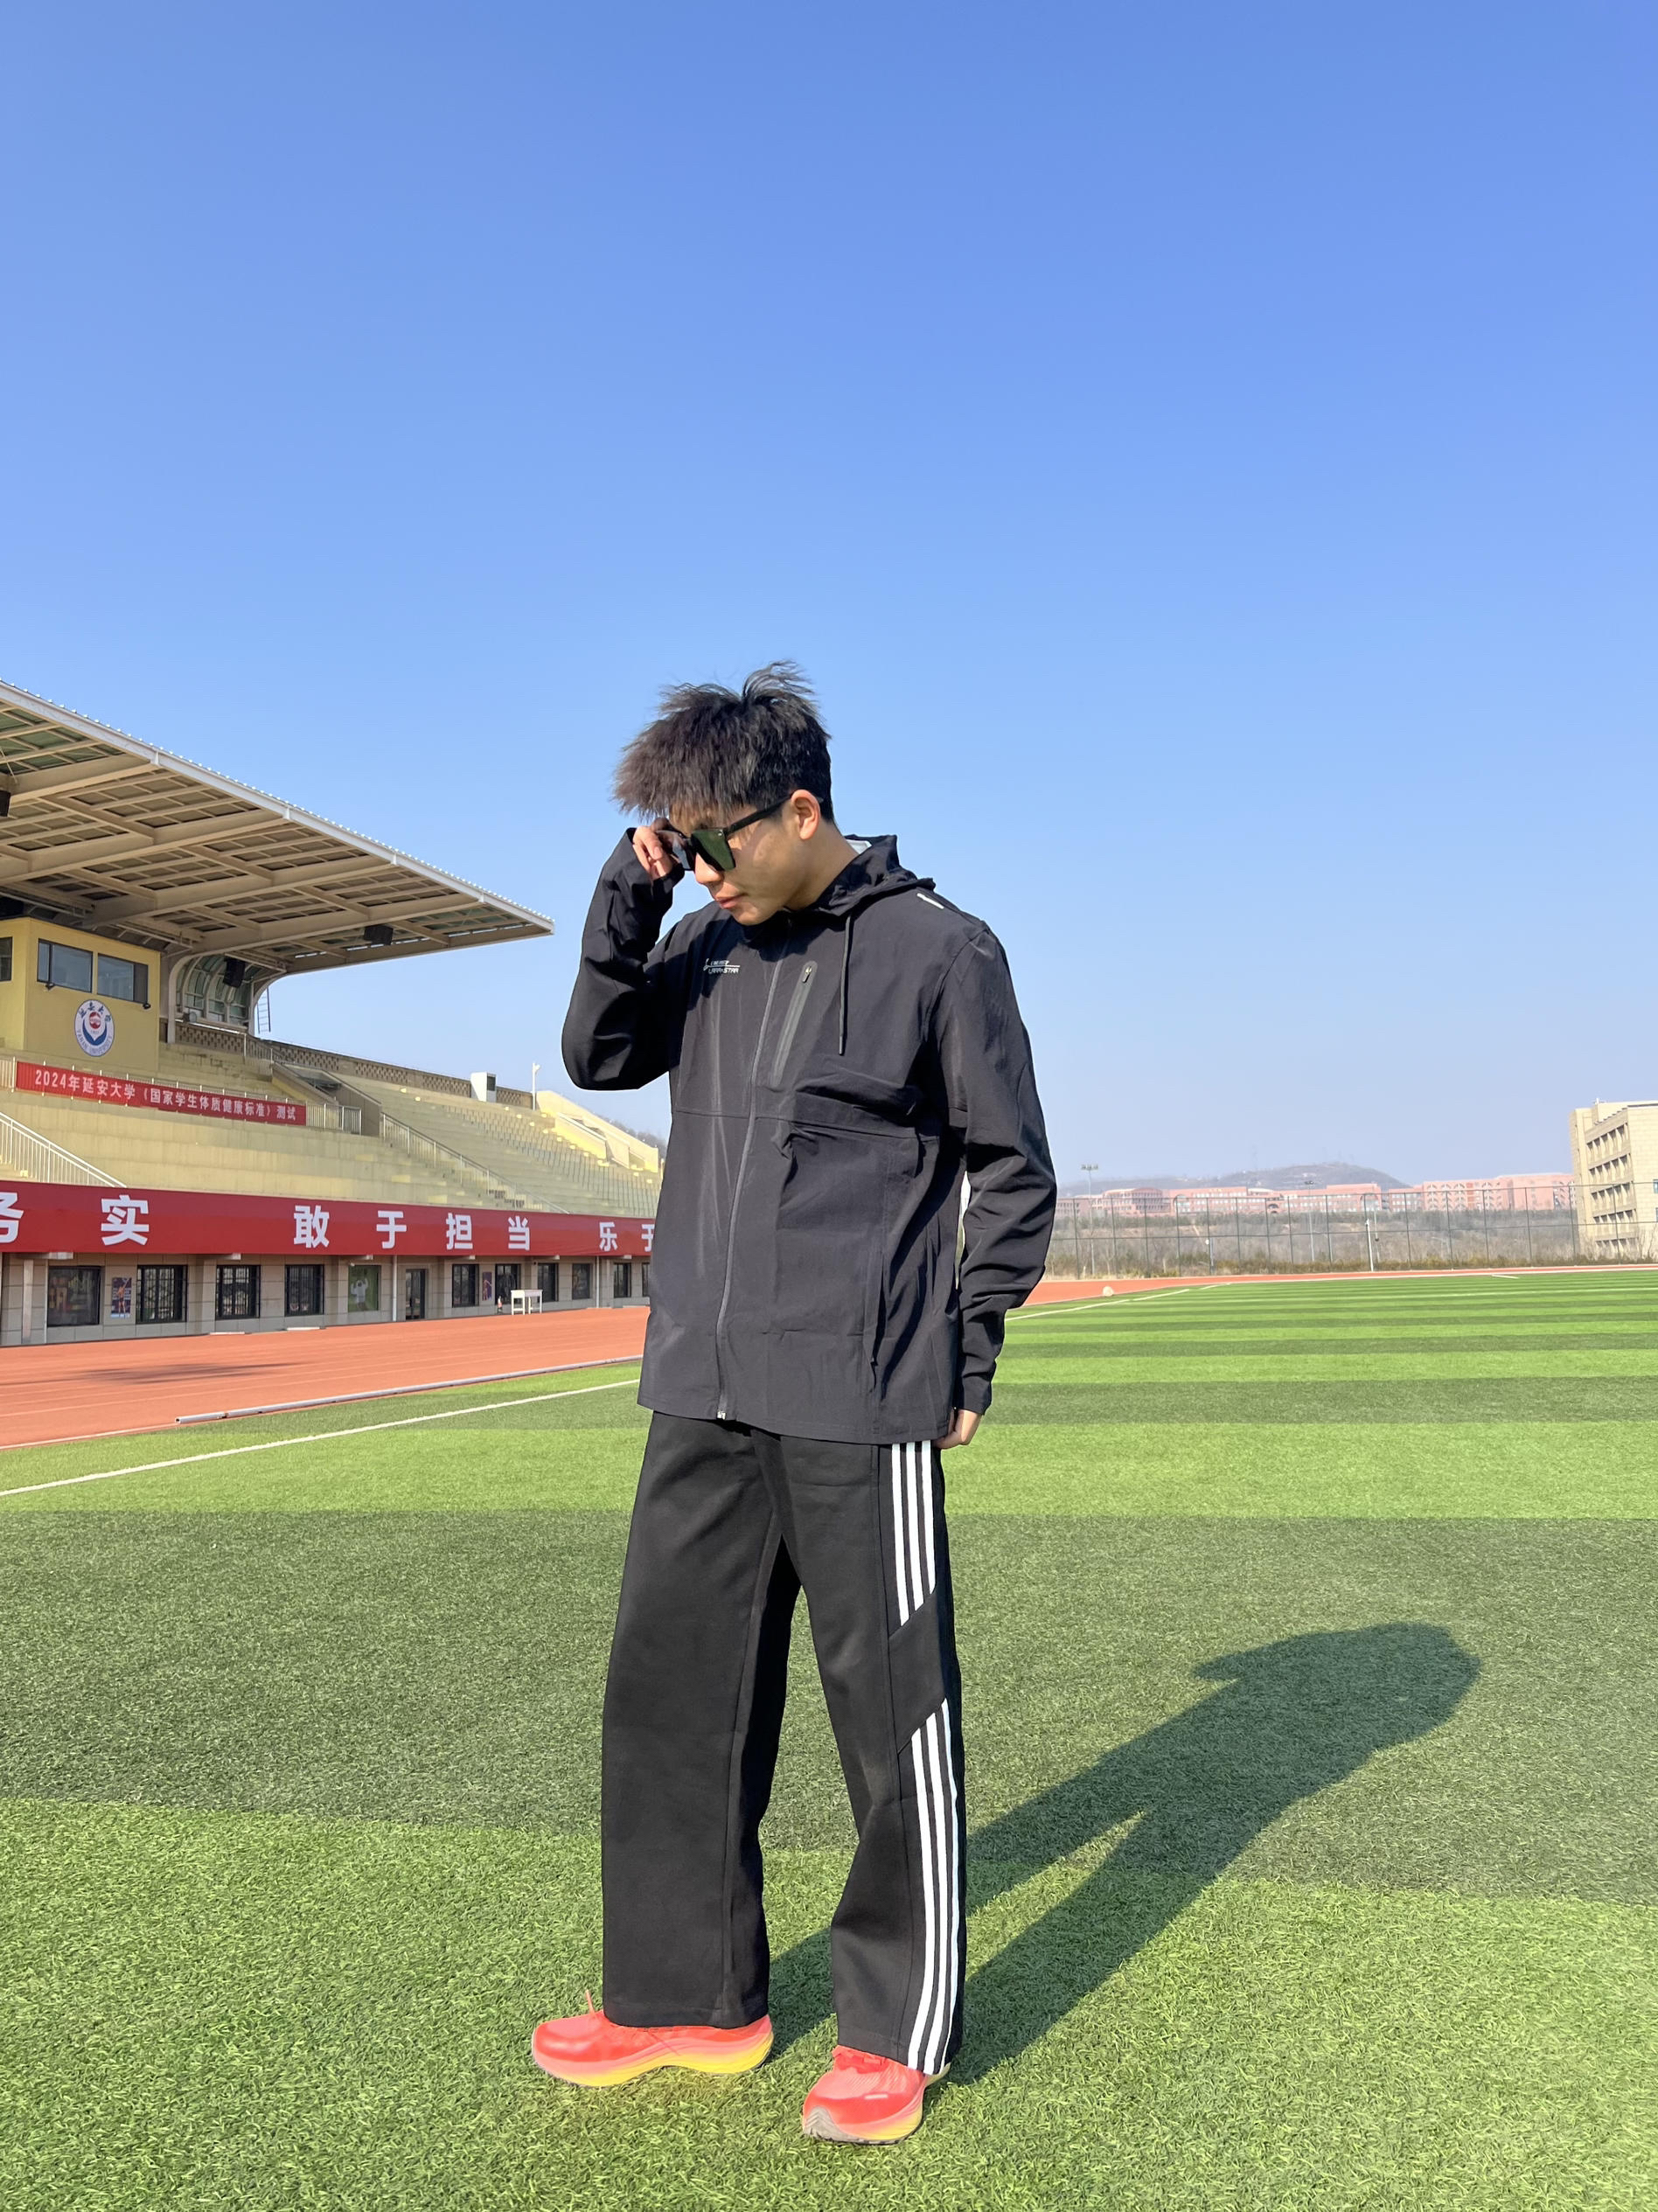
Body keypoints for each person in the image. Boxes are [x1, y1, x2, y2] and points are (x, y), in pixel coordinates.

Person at [533, 664, 1054, 2143]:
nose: (704, 867)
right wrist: (630, 894)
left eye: (717, 841)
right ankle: (686, 1996)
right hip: (698, 1385)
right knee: (670, 1698)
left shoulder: (941, 950)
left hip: (859, 1390)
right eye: (681, 844)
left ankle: (896, 2024)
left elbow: (1012, 1169)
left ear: (803, 808)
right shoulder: (701, 941)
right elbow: (599, 1054)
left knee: (890, 1715)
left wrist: (966, 1349)